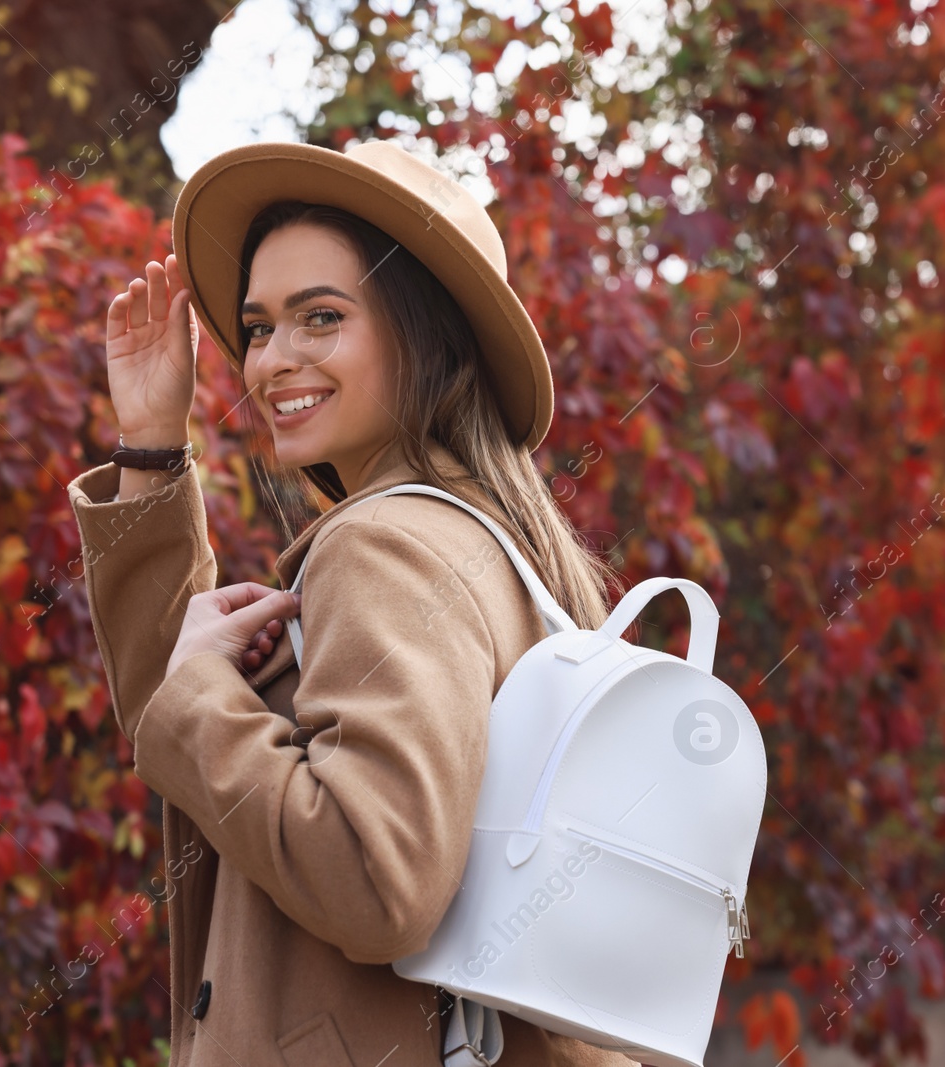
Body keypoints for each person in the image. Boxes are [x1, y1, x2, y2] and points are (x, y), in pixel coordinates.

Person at [66, 140, 634, 1067]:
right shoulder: (487, 540)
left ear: (424, 333)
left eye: (319, 317)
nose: (272, 361)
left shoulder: (385, 544)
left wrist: (203, 698)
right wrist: (151, 444)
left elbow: (378, 881)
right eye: (256, 329)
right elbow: (182, 729)